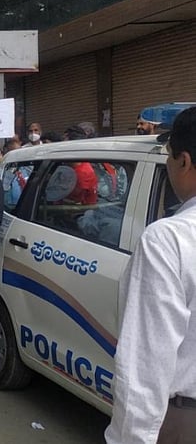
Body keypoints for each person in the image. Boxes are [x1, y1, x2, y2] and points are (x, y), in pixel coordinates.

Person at [105, 107, 196, 444]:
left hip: (183, 417)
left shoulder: (169, 239)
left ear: (184, 161)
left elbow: (146, 365)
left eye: (169, 155)